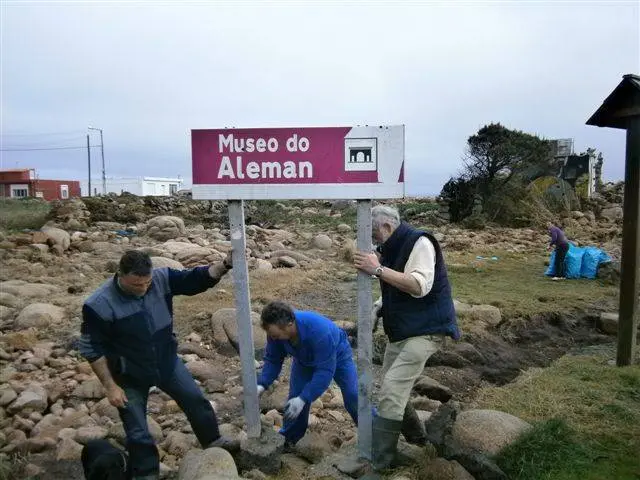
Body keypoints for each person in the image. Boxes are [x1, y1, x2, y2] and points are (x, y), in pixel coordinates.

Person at [79, 250, 237, 480]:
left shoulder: (161, 279)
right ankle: (146, 474)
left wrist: (225, 264)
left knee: (197, 401)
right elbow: (91, 348)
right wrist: (110, 386)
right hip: (128, 375)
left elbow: (195, 279)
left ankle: (213, 442)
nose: (143, 288)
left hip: (166, 363)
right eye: (136, 284)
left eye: (147, 282)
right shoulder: (98, 304)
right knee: (138, 432)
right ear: (119, 275)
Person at [353, 205, 460, 476]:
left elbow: (418, 285)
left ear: (387, 227)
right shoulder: (391, 247)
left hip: (427, 330)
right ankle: (418, 440)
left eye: (374, 233)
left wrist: (377, 270)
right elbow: (393, 285)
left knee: (391, 388)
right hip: (403, 331)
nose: (373, 240)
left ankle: (380, 462)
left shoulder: (420, 242)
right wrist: (378, 307)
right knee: (393, 387)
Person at [256, 301, 359, 448]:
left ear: (289, 324)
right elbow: (273, 359)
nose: (273, 338)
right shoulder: (274, 335)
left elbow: (324, 372)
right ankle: (290, 439)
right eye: (272, 335)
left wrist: (305, 398)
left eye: (276, 335)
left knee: (352, 395)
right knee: (294, 398)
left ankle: (373, 430)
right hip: (304, 358)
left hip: (337, 352)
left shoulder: (318, 331)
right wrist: (262, 383)